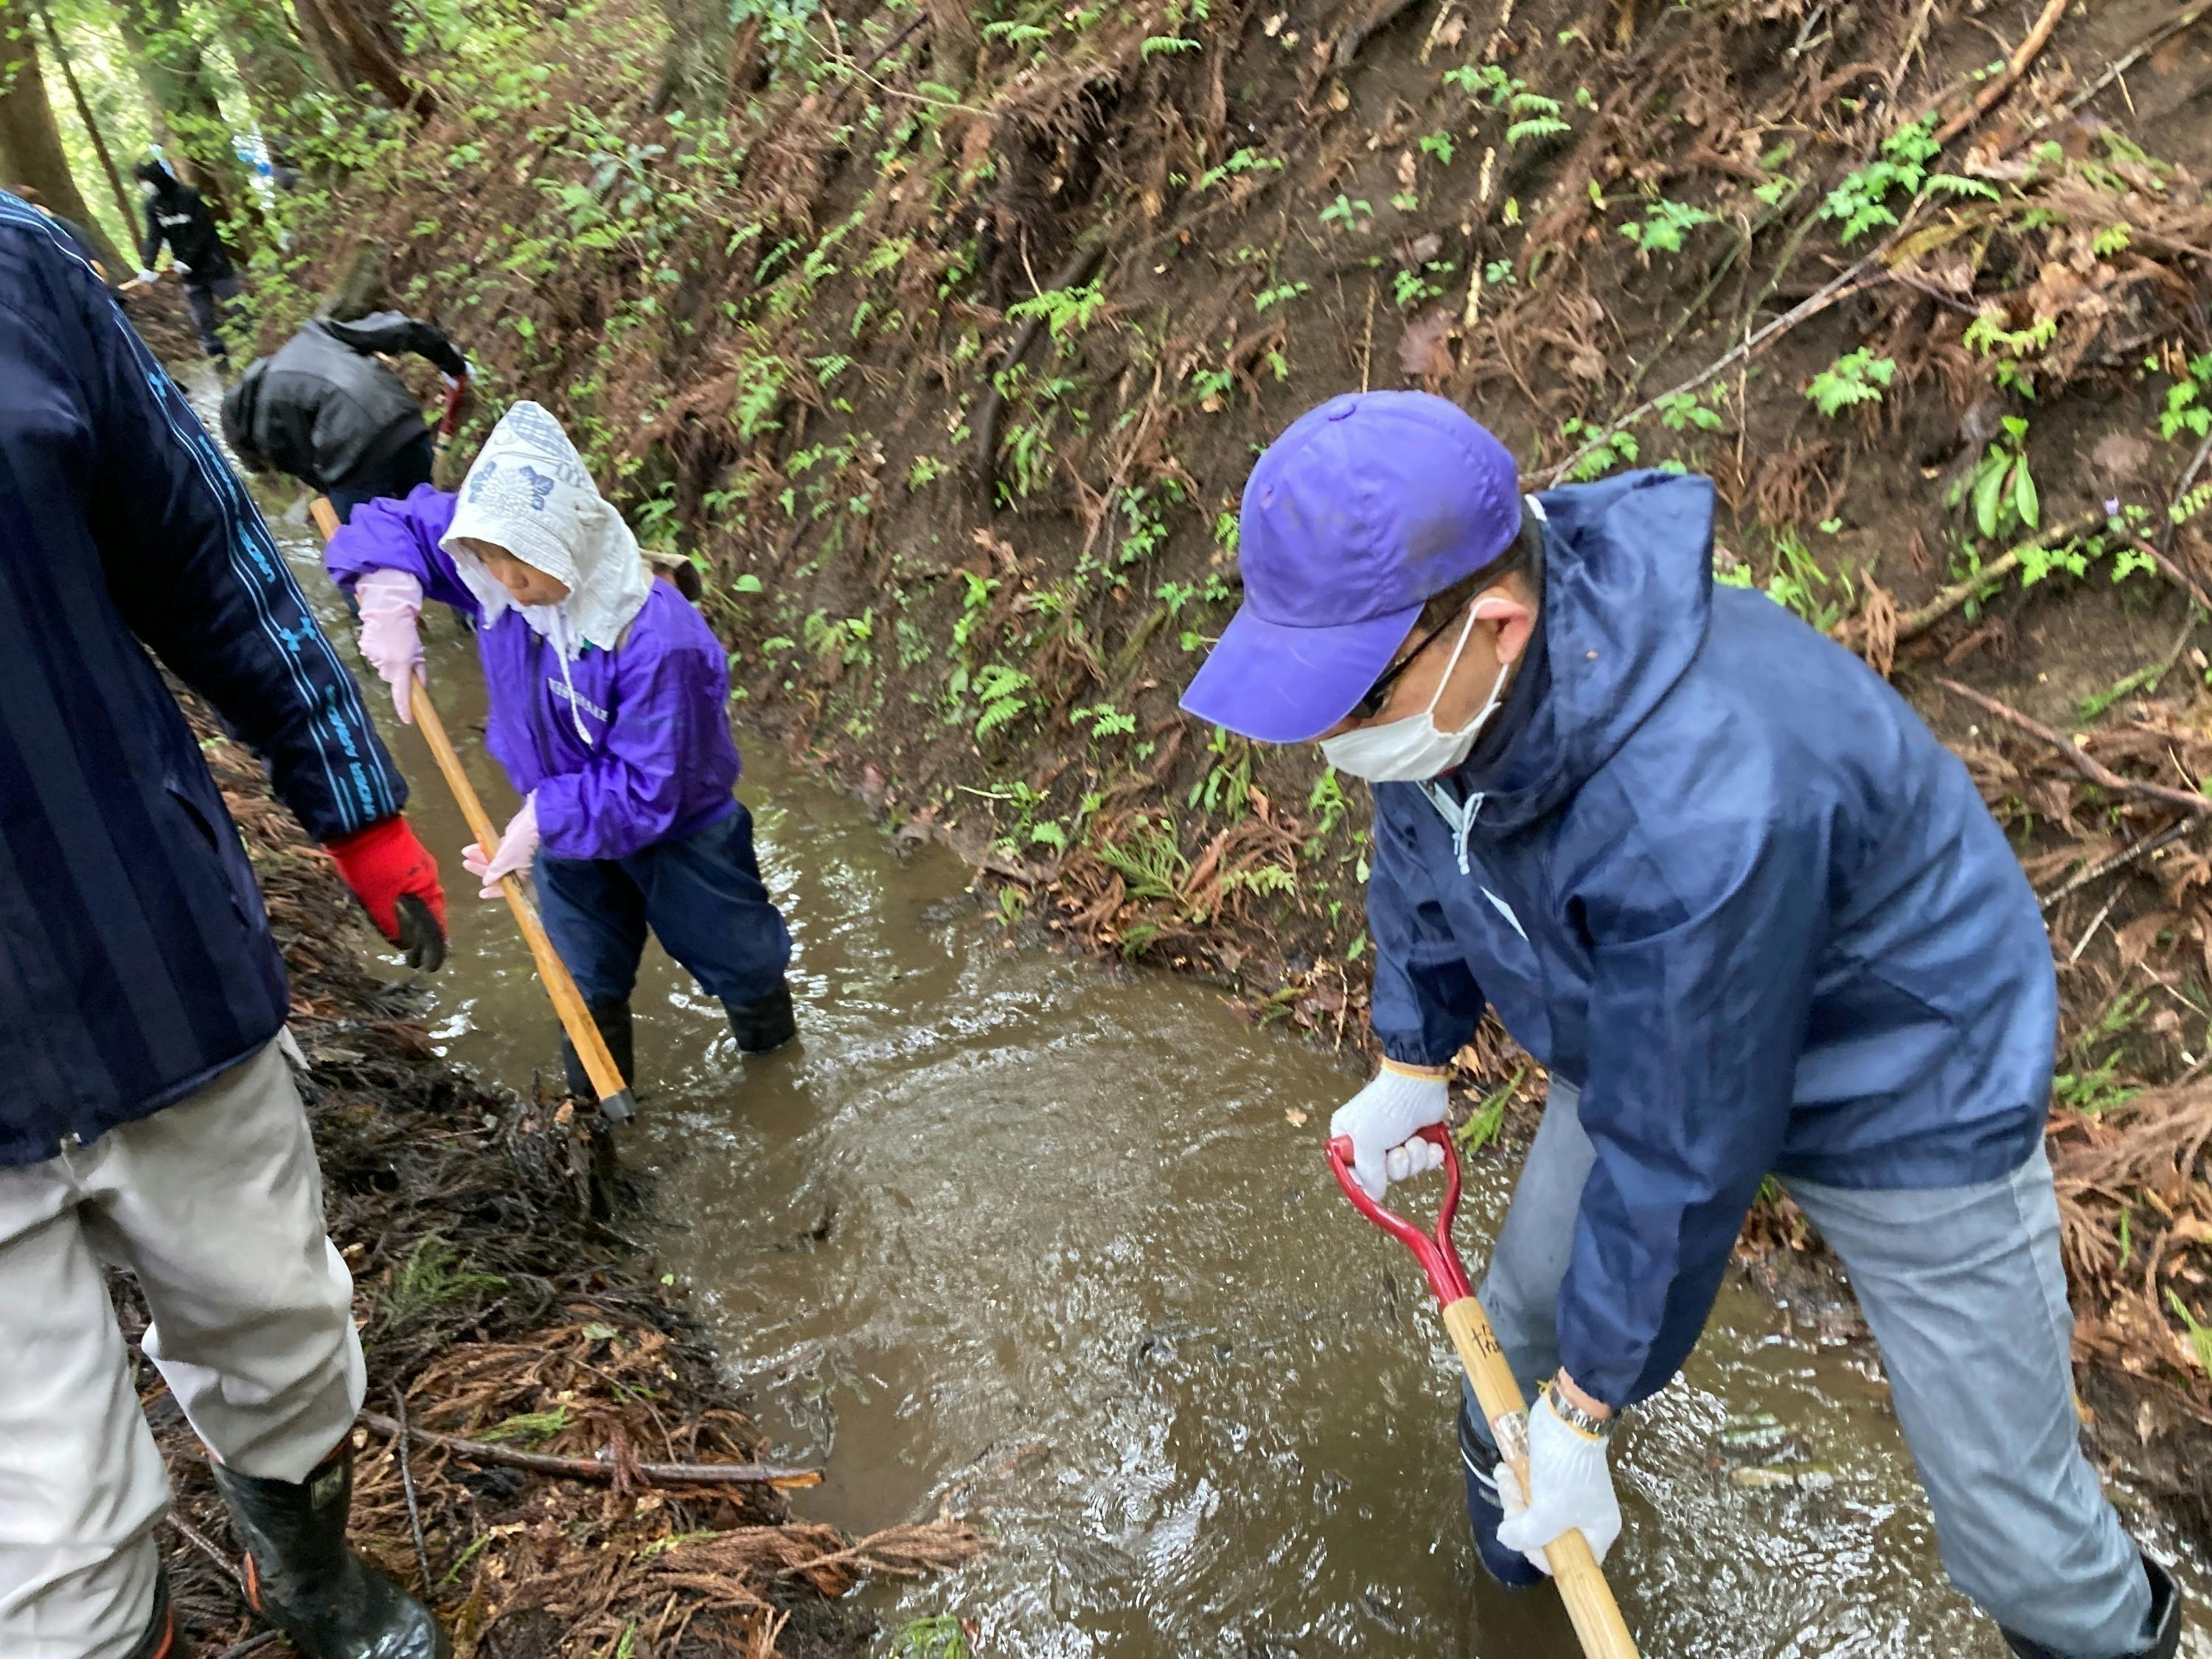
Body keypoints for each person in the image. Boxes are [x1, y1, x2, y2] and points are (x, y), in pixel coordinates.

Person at [1179, 391, 2185, 1659]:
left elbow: (1682, 1142)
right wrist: (1410, 1057)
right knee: (1523, 1327)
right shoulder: (1447, 710)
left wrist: (1589, 1418)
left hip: (1904, 1065)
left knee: (2016, 1538)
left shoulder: (1701, 803)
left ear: (1497, 623)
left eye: (1349, 701)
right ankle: (1515, 1597)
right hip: (1650, 1023)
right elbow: (1425, 846)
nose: (1329, 736)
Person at [1, 198, 449, 1657]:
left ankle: (309, 1574)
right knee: (48, 1560)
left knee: (287, 1339)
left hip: (147, 949)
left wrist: (356, 803)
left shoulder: (16, 263)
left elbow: (204, 549)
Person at [323, 402, 798, 1096]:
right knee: (580, 975)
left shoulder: (658, 640)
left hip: (679, 833)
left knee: (741, 960)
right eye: (490, 566)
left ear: (568, 546)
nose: (507, 588)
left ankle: (777, 1074)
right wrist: (386, 590)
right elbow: (395, 522)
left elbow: (650, 787)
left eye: (524, 572)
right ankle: (599, 1114)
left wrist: (541, 819)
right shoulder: (495, 571)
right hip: (566, 830)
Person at [223, 310, 470, 522]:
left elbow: (315, 474)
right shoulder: (314, 335)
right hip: (407, 425)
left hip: (357, 460)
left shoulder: (262, 424)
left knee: (368, 556)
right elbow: (395, 329)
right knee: (429, 521)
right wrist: (451, 362)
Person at [134, 159, 240, 363]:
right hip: (192, 276)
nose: (144, 186)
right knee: (203, 319)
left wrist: (186, 260)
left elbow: (203, 231)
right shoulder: (153, 206)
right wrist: (148, 267)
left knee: (237, 307)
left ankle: (259, 346)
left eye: (144, 181)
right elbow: (155, 236)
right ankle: (218, 359)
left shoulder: (189, 195)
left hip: (214, 264)